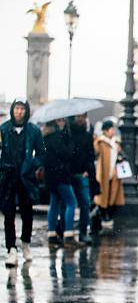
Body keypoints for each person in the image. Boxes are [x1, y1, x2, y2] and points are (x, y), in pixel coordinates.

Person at [0, 99, 45, 266]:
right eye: (16, 108)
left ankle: (26, 243)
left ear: (26, 111)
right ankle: (11, 249)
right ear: (12, 110)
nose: (19, 112)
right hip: (8, 177)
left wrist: (32, 165)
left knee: (27, 213)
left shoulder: (33, 131)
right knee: (9, 214)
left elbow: (41, 153)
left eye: (22, 109)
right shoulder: (3, 129)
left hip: (26, 178)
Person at [43, 118, 78, 247]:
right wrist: (71, 145)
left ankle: (52, 234)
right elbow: (66, 153)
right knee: (71, 202)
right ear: (53, 121)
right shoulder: (57, 136)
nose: (61, 122)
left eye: (63, 120)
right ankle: (68, 235)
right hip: (61, 175)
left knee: (54, 203)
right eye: (59, 120)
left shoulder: (47, 135)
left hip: (51, 176)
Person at [69, 113, 96, 245]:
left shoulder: (87, 135)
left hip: (82, 174)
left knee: (85, 203)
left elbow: (91, 155)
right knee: (70, 204)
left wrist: (87, 170)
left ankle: (82, 232)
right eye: (78, 116)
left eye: (82, 116)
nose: (80, 119)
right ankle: (67, 231)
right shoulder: (68, 134)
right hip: (69, 174)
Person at [94, 120, 125, 228]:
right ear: (106, 131)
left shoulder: (116, 142)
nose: (113, 131)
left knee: (113, 194)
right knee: (103, 195)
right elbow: (96, 153)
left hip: (114, 173)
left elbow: (120, 154)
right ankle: (104, 215)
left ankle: (109, 215)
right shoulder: (100, 142)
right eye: (112, 129)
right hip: (104, 173)